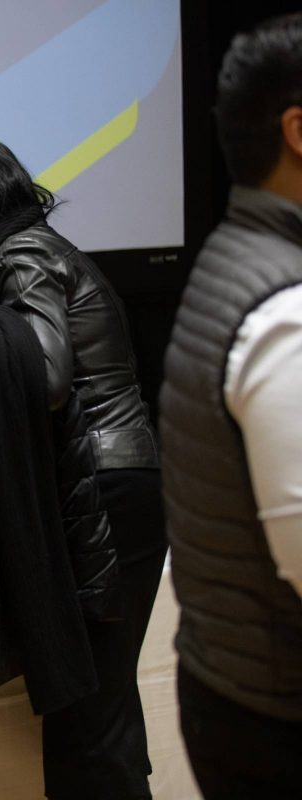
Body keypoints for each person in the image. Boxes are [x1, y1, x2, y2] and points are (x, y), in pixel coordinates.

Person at [0, 135, 166, 799]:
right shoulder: (33, 246)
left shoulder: (20, 250)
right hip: (110, 485)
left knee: (91, 714)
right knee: (97, 708)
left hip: (102, 494)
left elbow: (45, 373)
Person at [160, 13, 302, 797]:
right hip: (274, 712)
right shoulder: (284, 306)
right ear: (297, 129)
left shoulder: (237, 253)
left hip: (235, 689)